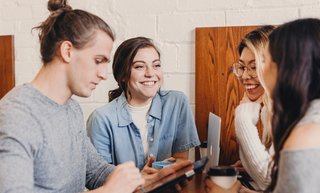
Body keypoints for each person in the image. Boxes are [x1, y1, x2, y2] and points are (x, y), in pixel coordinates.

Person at [0, 1, 192, 192]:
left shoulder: (71, 108)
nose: (103, 74)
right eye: (98, 61)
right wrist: (109, 191)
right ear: (67, 51)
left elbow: (95, 172)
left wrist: (146, 180)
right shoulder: (16, 115)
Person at [206, 18, 320, 193]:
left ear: (290, 67)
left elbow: (269, 180)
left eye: (264, 60)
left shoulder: (308, 133)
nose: (248, 75)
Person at [87, 36, 200, 171]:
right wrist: (144, 180)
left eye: (156, 65)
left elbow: (181, 161)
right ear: (123, 75)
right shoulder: (101, 119)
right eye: (140, 66)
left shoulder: (177, 103)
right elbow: (101, 177)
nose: (150, 73)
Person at [232, 26, 275, 191]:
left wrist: (243, 115)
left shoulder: (290, 110)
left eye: (254, 66)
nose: (244, 75)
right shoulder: (267, 109)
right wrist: (249, 168)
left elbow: (268, 180)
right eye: (242, 67)